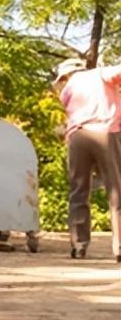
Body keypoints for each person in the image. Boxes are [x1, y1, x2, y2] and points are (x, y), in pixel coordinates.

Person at [53, 58, 121, 262]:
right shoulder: (99, 74)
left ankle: (78, 246)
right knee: (116, 190)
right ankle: (119, 247)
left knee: (78, 191)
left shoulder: (66, 91)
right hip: (104, 131)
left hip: (77, 137)